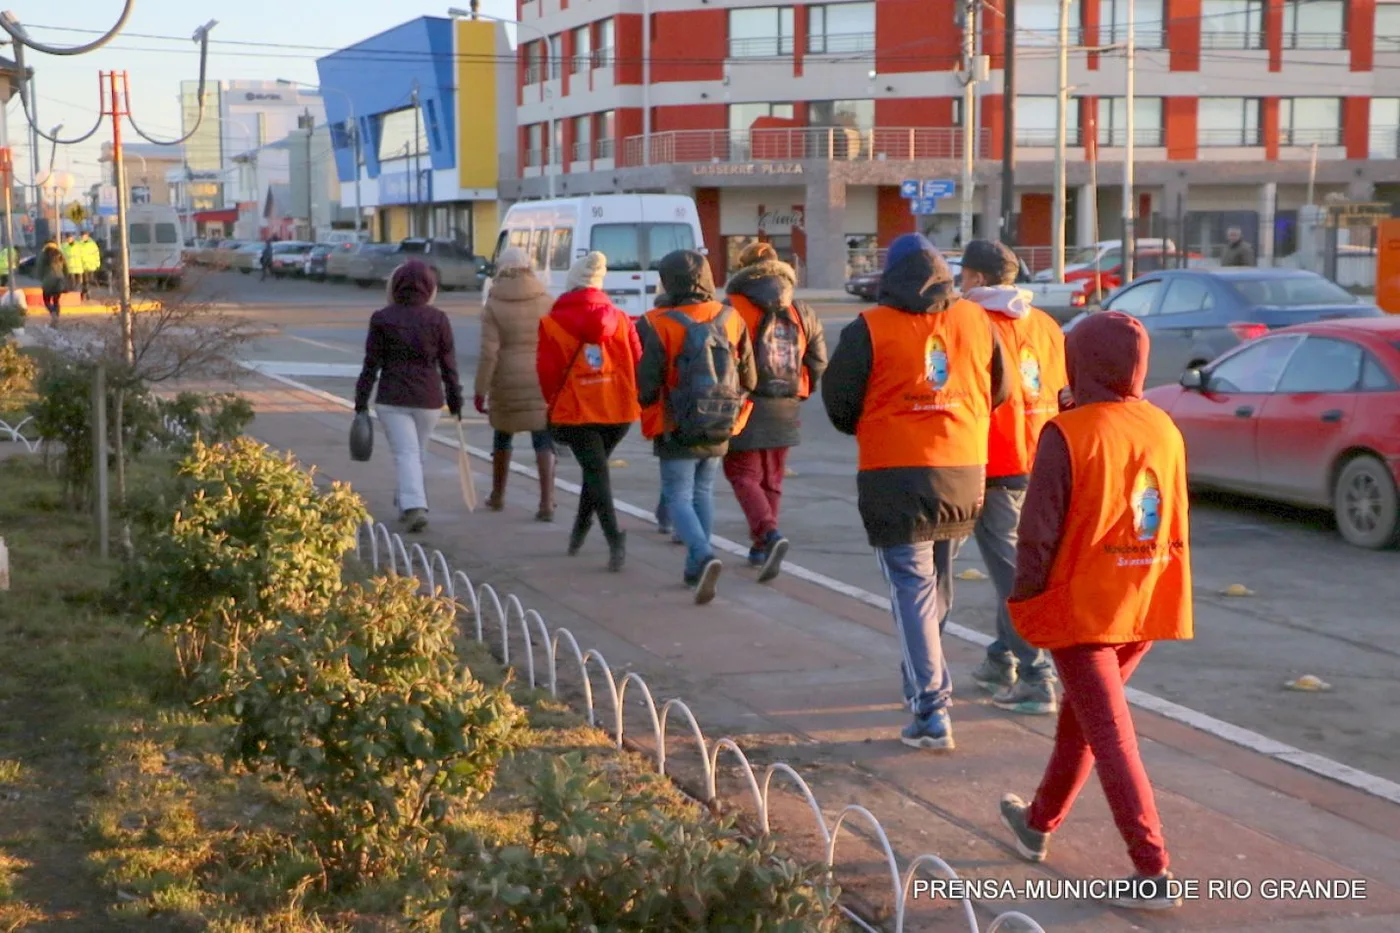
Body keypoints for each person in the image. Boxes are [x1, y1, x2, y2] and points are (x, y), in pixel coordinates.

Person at [999, 311, 1192, 911]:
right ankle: (1038, 821)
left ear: (1080, 363)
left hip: (1082, 606)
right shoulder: (1163, 424)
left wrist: (1026, 599)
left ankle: (1152, 868)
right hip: (1143, 597)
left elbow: (1037, 533)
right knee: (1082, 721)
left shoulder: (1068, 432)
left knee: (1108, 733)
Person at [822, 233, 1008, 750]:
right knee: (934, 583)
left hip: (896, 474)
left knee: (911, 587)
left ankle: (930, 707)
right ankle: (923, 683)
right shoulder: (975, 320)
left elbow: (838, 403)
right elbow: (1002, 390)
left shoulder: (871, 328)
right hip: (964, 468)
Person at [960, 240, 1069, 716]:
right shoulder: (1044, 323)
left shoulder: (971, 322)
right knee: (1017, 564)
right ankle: (1000, 656)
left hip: (993, 458)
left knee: (1012, 573)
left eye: (963, 276)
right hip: (1040, 456)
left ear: (978, 279)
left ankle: (1034, 671)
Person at [637, 250, 757, 605]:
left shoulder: (656, 322)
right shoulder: (730, 317)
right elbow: (750, 376)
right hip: (721, 419)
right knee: (703, 490)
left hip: (677, 422)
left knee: (677, 494)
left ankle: (703, 554)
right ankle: (695, 567)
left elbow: (647, 384)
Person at [722, 241, 828, 582]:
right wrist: (801, 389)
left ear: (742, 268)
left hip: (746, 401)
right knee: (772, 477)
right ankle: (761, 545)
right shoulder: (800, 309)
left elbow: (723, 357)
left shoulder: (734, 306)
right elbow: (819, 359)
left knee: (742, 473)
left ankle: (768, 533)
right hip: (787, 401)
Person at [537, 251, 643, 572]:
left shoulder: (553, 323)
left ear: (570, 286)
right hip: (618, 410)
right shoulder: (622, 320)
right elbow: (638, 361)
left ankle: (614, 539)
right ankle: (578, 534)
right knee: (595, 471)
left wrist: (554, 401)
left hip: (576, 411)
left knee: (596, 472)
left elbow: (547, 372)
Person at [353, 259, 463, 533]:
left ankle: (413, 506)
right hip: (428, 399)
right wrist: (455, 400)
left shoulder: (382, 318)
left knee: (407, 453)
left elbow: (371, 364)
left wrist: (361, 402)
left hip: (393, 398)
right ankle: (408, 500)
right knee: (415, 452)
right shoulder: (438, 319)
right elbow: (448, 365)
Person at [476, 246, 556, 520]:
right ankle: (546, 502)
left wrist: (480, 390)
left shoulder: (494, 303)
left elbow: (489, 353)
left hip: (505, 379)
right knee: (543, 439)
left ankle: (497, 496)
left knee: (503, 435)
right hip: (541, 378)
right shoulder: (546, 299)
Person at [38, 239, 66, 324]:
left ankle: (52, 312)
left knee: (46, 300)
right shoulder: (60, 253)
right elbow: (65, 267)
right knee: (56, 300)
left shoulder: (43, 254)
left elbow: (40, 268)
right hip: (59, 279)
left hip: (48, 280)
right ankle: (56, 317)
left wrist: (41, 278)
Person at [78, 231, 101, 300]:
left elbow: (96, 254)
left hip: (91, 265)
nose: (83, 237)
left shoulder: (92, 244)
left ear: (87, 236)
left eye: (85, 236)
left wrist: (97, 264)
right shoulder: (78, 244)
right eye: (82, 236)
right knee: (85, 281)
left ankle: (85, 293)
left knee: (88, 280)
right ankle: (86, 294)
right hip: (82, 266)